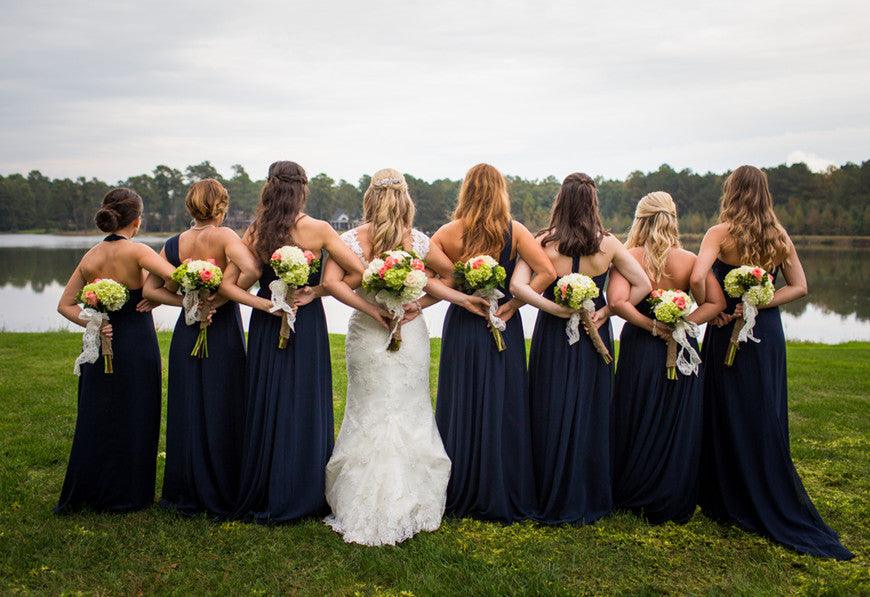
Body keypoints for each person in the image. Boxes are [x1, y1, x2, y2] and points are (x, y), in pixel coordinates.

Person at [690, 165, 853, 559]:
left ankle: (725, 494)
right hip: (766, 333)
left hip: (727, 325)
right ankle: (761, 485)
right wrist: (760, 303)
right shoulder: (777, 235)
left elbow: (697, 276)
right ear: (765, 194)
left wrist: (715, 307)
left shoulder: (720, 233)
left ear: (731, 191)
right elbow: (799, 287)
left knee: (725, 406)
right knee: (761, 409)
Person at [321, 169, 489, 545]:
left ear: (369, 199)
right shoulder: (417, 240)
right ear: (406, 200)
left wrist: (371, 307)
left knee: (369, 406)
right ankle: (413, 498)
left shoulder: (351, 239)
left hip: (368, 328)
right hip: (407, 331)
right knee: (408, 406)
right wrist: (418, 306)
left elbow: (332, 283)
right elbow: (450, 278)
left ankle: (359, 499)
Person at [220, 160, 364, 523]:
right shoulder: (319, 229)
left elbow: (229, 285)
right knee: (304, 397)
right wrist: (315, 292)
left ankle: (268, 484)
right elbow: (358, 272)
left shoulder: (256, 230)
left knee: (269, 396)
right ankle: (302, 490)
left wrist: (265, 303)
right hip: (305, 320)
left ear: (269, 188)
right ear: (303, 189)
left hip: (269, 323)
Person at [511, 173, 650, 524]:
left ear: (560, 202)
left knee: (549, 406)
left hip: (553, 336)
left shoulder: (543, 241)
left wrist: (553, 308)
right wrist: (605, 312)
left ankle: (546, 490)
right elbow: (643, 284)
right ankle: (589, 492)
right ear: (592, 204)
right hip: (596, 339)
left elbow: (518, 287)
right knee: (591, 410)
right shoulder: (609, 245)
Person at [431, 163, 556, 521]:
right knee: (503, 401)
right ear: (501, 192)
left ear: (466, 191)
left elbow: (430, 280)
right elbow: (546, 271)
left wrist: (460, 298)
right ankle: (502, 485)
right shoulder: (514, 231)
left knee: (462, 400)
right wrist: (514, 305)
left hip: (464, 323)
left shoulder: (448, 233)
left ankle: (460, 485)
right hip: (502, 323)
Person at [144, 178, 260, 517]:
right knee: (224, 401)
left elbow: (150, 289)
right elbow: (251, 269)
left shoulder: (175, 242)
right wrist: (219, 302)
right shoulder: (225, 236)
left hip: (188, 329)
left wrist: (189, 304)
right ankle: (224, 488)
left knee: (189, 404)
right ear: (221, 206)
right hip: (220, 329)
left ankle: (185, 488)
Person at [55, 188, 175, 513]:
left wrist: (93, 323)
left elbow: (65, 305)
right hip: (136, 344)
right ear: (136, 220)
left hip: (102, 344)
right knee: (137, 412)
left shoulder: (91, 256)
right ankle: (130, 493)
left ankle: (94, 488)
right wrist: (156, 293)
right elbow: (176, 278)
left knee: (100, 415)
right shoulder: (138, 252)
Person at [609, 191, 724, 524]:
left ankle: (630, 491)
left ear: (640, 220)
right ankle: (671, 493)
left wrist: (651, 326)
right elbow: (714, 303)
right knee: (675, 419)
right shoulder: (689, 260)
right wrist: (684, 324)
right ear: (673, 219)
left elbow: (618, 302)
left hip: (641, 346)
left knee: (636, 412)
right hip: (680, 345)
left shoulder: (628, 256)